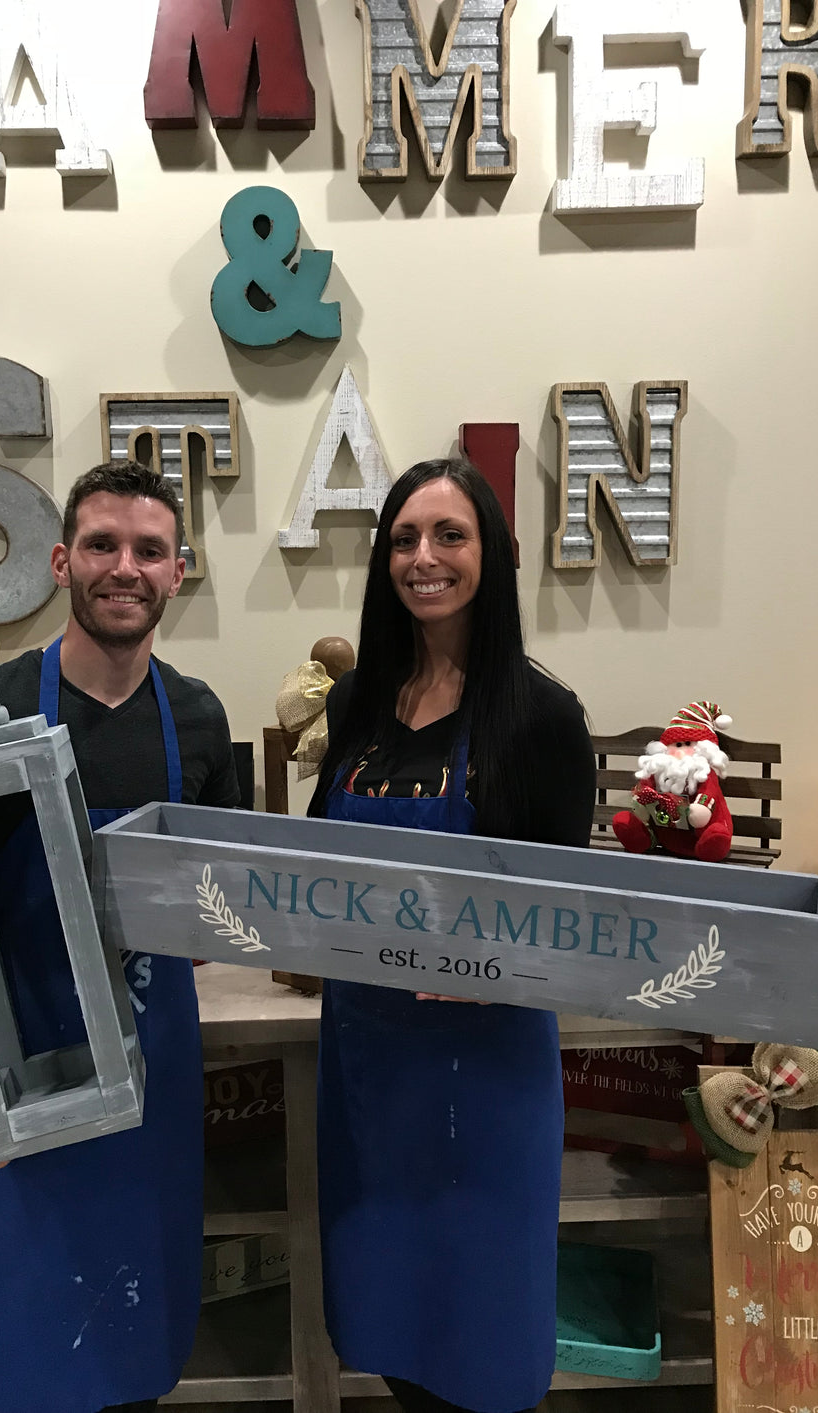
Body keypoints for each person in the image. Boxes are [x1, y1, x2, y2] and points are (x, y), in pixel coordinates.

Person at [0, 462, 240, 1413]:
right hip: (15, 1091)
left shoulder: (199, 718)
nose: (125, 567)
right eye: (101, 544)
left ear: (177, 571)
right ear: (59, 561)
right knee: (22, 1361)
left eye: (149, 550)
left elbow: (214, 908)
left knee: (133, 1354)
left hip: (151, 1087)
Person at [308, 458, 596, 1413]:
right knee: (392, 1332)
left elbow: (576, 922)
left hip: (485, 1074)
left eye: (449, 535)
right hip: (370, 1073)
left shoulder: (542, 718)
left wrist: (494, 965)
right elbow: (316, 860)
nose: (423, 558)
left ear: (492, 555)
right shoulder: (356, 703)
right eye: (404, 539)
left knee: (483, 1346)